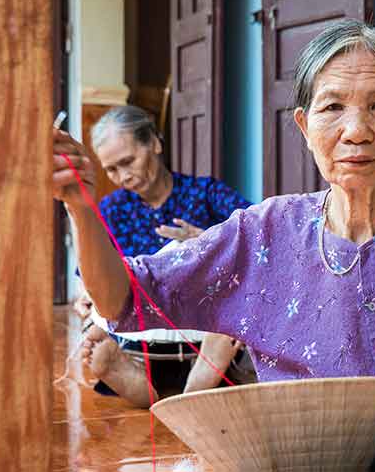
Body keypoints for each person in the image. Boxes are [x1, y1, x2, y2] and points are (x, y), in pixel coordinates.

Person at [53, 20, 375, 472]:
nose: (355, 130)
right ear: (303, 126)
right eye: (332, 107)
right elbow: (124, 298)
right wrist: (80, 203)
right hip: (294, 458)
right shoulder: (264, 234)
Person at [73, 105, 254, 408]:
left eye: (128, 161)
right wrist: (86, 293)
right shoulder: (111, 209)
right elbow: (89, 270)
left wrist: (205, 239)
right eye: (112, 169)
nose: (123, 177)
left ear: (155, 143)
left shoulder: (204, 193)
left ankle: (205, 367)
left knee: (232, 296)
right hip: (142, 333)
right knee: (105, 310)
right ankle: (141, 380)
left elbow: (259, 235)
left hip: (201, 320)